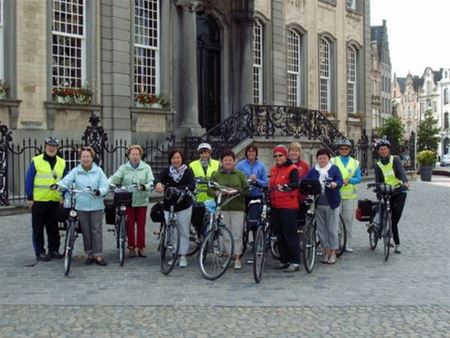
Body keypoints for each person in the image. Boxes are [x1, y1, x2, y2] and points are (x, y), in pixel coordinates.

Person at [58, 147, 109, 265]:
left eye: (88, 157)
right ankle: (89, 254)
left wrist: (99, 191)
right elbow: (66, 181)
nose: (85, 159)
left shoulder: (98, 171)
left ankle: (98, 255)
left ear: (92, 158)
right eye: (83, 157)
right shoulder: (76, 171)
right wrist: (58, 185)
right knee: (86, 231)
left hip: (96, 205)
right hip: (81, 205)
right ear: (80, 158)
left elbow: (105, 185)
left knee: (96, 230)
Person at [25, 136, 66, 261]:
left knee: (53, 228)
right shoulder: (36, 161)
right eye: (49, 145)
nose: (51, 148)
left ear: (57, 148)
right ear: (45, 146)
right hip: (39, 200)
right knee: (38, 228)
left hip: (54, 200)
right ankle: (40, 252)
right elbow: (29, 179)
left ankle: (54, 250)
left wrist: (63, 196)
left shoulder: (62, 162)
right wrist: (30, 197)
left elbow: (65, 181)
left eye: (54, 146)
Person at [109, 145, 154, 258]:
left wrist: (145, 186)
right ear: (128, 156)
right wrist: (109, 184)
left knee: (141, 226)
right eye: (132, 154)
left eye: (137, 154)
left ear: (140, 155)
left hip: (141, 200)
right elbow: (114, 178)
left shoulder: (146, 167)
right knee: (129, 225)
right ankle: (131, 247)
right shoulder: (124, 168)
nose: (135, 157)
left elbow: (151, 181)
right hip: (127, 200)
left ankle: (141, 247)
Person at [154, 149, 195, 268]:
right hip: (169, 204)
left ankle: (183, 255)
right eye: (173, 158)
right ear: (170, 159)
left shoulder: (187, 171)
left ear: (182, 158)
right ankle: (174, 254)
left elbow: (192, 185)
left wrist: (183, 189)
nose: (176, 160)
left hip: (183, 204)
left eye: (178, 158)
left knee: (183, 230)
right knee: (172, 231)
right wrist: (158, 184)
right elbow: (158, 179)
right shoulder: (167, 171)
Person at [209, 150, 249, 270]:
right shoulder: (216, 175)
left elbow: (247, 190)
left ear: (234, 161)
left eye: (230, 160)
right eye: (225, 160)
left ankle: (237, 257)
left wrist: (237, 191)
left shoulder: (240, 174)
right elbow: (209, 189)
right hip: (223, 207)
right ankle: (229, 255)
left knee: (237, 233)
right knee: (225, 234)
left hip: (237, 208)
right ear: (222, 162)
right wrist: (217, 192)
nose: (228, 162)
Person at [304, 148, 343, 264]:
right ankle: (325, 251)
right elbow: (306, 181)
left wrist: (335, 184)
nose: (322, 160)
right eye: (320, 158)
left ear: (328, 159)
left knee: (332, 229)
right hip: (318, 204)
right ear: (317, 159)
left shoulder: (334, 169)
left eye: (324, 158)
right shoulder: (313, 171)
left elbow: (340, 181)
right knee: (321, 230)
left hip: (332, 203)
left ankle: (333, 252)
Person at [373, 139, 409, 254]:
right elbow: (378, 181)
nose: (383, 151)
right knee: (386, 213)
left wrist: (405, 181)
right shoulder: (377, 165)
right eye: (381, 149)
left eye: (385, 149)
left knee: (396, 215)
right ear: (378, 151)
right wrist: (379, 191)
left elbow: (401, 172)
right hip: (387, 191)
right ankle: (396, 243)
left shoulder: (395, 159)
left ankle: (393, 235)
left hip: (399, 190)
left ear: (388, 150)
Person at [269, 145, 301, 272]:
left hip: (288, 206)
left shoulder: (292, 169)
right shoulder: (273, 169)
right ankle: (284, 260)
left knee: (290, 234)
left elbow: (295, 184)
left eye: (280, 155)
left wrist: (287, 186)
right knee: (280, 235)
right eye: (275, 156)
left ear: (285, 155)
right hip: (275, 205)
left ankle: (295, 261)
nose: (278, 158)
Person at [331, 139, 362, 252]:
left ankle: (347, 243)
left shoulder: (355, 162)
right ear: (339, 150)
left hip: (349, 196)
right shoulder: (333, 161)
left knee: (348, 220)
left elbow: (359, 178)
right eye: (341, 148)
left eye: (346, 149)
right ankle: (337, 243)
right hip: (336, 194)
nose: (344, 150)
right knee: (336, 220)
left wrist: (350, 180)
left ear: (349, 150)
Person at [236, 144, 268, 233]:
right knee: (241, 220)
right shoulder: (240, 165)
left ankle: (255, 240)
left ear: (256, 153)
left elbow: (265, 182)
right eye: (249, 151)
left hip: (256, 195)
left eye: (253, 151)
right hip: (244, 194)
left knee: (254, 221)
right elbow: (236, 178)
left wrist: (256, 180)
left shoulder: (261, 166)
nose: (251, 153)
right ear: (246, 153)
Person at [189, 143, 220, 235]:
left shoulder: (217, 164)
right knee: (198, 219)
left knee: (213, 219)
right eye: (202, 153)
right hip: (198, 196)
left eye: (206, 153)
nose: (204, 155)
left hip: (212, 195)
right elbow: (190, 178)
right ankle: (199, 234)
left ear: (210, 153)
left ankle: (212, 238)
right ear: (199, 154)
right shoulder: (192, 165)